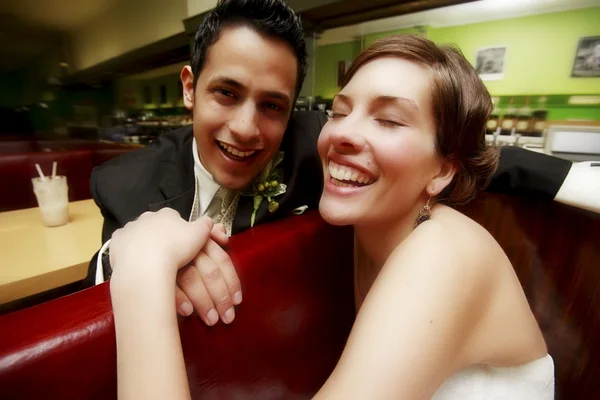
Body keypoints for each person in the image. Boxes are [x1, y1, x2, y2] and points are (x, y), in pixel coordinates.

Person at [109, 35, 554, 399]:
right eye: (339, 112)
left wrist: (142, 273)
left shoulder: (446, 255)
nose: (343, 133)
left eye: (389, 121)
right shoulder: (368, 228)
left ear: (441, 170)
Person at [88, 0, 575, 328]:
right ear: (190, 87)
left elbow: (466, 153)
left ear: (293, 108)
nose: (245, 128)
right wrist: (144, 260)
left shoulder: (321, 142)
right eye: (226, 93)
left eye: (272, 105)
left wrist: (580, 182)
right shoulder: (126, 182)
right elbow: (100, 277)